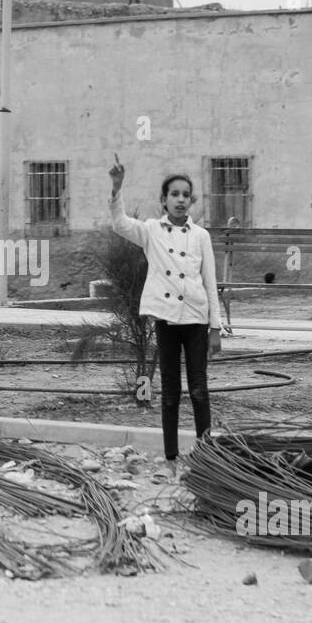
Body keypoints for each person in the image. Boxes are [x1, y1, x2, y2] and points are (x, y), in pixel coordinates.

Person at [108, 153, 223, 470]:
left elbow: (211, 283)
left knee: (199, 387)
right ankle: (171, 454)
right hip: (167, 320)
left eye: (186, 195)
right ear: (164, 200)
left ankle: (206, 451)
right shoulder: (151, 231)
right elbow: (119, 224)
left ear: (192, 200)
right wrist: (117, 188)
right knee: (170, 390)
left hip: (197, 319)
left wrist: (216, 328)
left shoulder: (202, 236)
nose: (181, 200)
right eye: (175, 194)